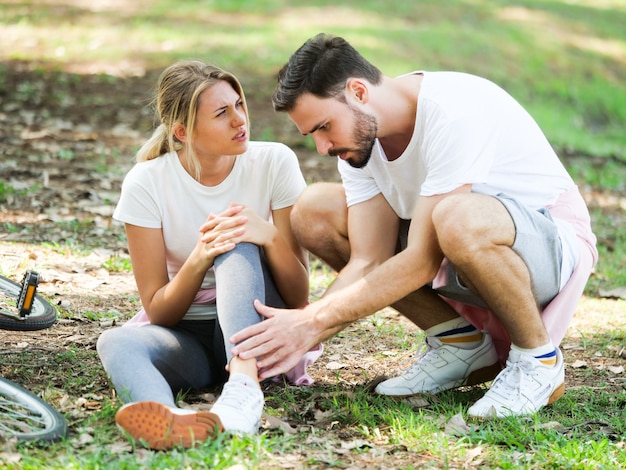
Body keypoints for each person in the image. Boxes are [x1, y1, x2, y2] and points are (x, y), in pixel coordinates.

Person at [229, 33, 598, 419]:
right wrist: (302, 329)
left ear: (357, 91)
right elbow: (367, 260)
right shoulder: (361, 144)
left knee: (455, 216)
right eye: (313, 135)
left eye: (324, 127)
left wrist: (312, 321)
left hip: (550, 246)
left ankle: (537, 362)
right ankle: (460, 343)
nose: (322, 147)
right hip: (461, 254)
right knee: (315, 210)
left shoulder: (452, 110)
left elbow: (422, 259)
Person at [96, 60, 313, 450]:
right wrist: (199, 258)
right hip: (188, 339)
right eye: (221, 113)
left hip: (257, 327)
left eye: (238, 105)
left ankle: (244, 391)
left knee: (237, 238)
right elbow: (159, 311)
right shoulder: (147, 183)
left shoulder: (273, 162)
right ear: (182, 131)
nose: (239, 120)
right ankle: (167, 422)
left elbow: (298, 296)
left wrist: (268, 237)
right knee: (115, 342)